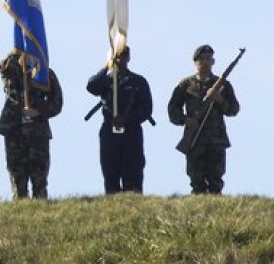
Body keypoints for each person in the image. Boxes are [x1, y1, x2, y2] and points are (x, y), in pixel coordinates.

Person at [167, 44, 240, 194]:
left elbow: (234, 109)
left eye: (208, 59)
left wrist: (220, 100)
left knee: (215, 180)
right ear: (195, 62)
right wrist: (186, 120)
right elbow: (173, 111)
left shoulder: (223, 85)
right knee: (196, 180)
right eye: (201, 59)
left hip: (216, 140)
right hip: (194, 139)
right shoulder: (185, 85)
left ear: (213, 62)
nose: (205, 62)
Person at [0, 50, 63, 199]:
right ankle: (20, 207)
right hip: (14, 128)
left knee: (39, 176)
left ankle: (40, 207)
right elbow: (2, 69)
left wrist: (38, 111)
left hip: (37, 131)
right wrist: (16, 56)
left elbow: (57, 103)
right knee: (17, 177)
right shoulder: (11, 69)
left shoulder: (44, 74)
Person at [86, 46, 153, 194]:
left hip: (131, 132)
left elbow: (146, 109)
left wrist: (126, 119)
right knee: (110, 172)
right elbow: (91, 87)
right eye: (116, 56)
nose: (119, 59)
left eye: (122, 56)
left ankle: (134, 202)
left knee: (133, 172)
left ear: (128, 57)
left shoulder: (138, 81)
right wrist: (107, 66)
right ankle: (113, 203)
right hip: (109, 131)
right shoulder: (106, 80)